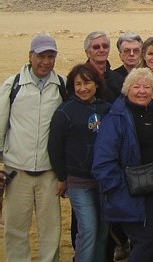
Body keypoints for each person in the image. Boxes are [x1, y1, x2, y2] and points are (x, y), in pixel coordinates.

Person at [92, 68, 153, 262]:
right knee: (149, 239)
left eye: (147, 87)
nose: (142, 91)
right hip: (129, 192)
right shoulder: (116, 118)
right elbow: (103, 162)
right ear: (127, 90)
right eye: (136, 86)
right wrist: (119, 189)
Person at [0, 34, 64, 262]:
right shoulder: (13, 85)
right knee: (15, 230)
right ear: (30, 56)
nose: (45, 61)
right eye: (41, 56)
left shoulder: (62, 86)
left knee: (51, 231)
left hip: (49, 172)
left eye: (50, 56)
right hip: (16, 170)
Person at [48, 63, 111, 262]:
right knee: (88, 230)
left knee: (102, 233)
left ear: (96, 84)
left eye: (87, 83)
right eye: (78, 84)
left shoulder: (107, 109)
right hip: (78, 181)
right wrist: (61, 176)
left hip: (104, 181)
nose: (82, 88)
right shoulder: (65, 112)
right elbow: (55, 146)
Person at [84, 31, 124, 103]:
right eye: (96, 47)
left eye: (105, 46)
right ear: (87, 53)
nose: (102, 50)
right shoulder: (79, 79)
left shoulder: (118, 80)